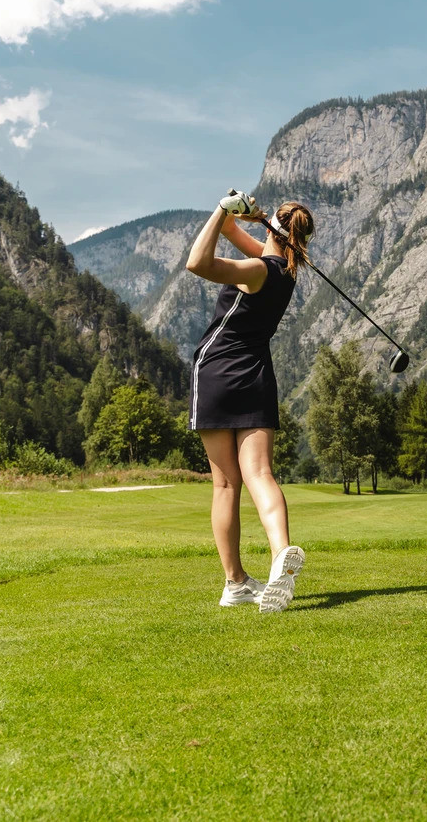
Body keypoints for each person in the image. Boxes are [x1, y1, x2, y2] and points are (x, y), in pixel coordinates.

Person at [185, 190, 314, 613]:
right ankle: (280, 555)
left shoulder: (257, 269)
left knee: (225, 484)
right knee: (260, 473)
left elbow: (197, 263)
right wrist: (249, 216)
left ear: (275, 229)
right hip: (257, 374)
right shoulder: (285, 272)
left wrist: (222, 208)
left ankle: (235, 582)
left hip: (218, 371)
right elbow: (236, 234)